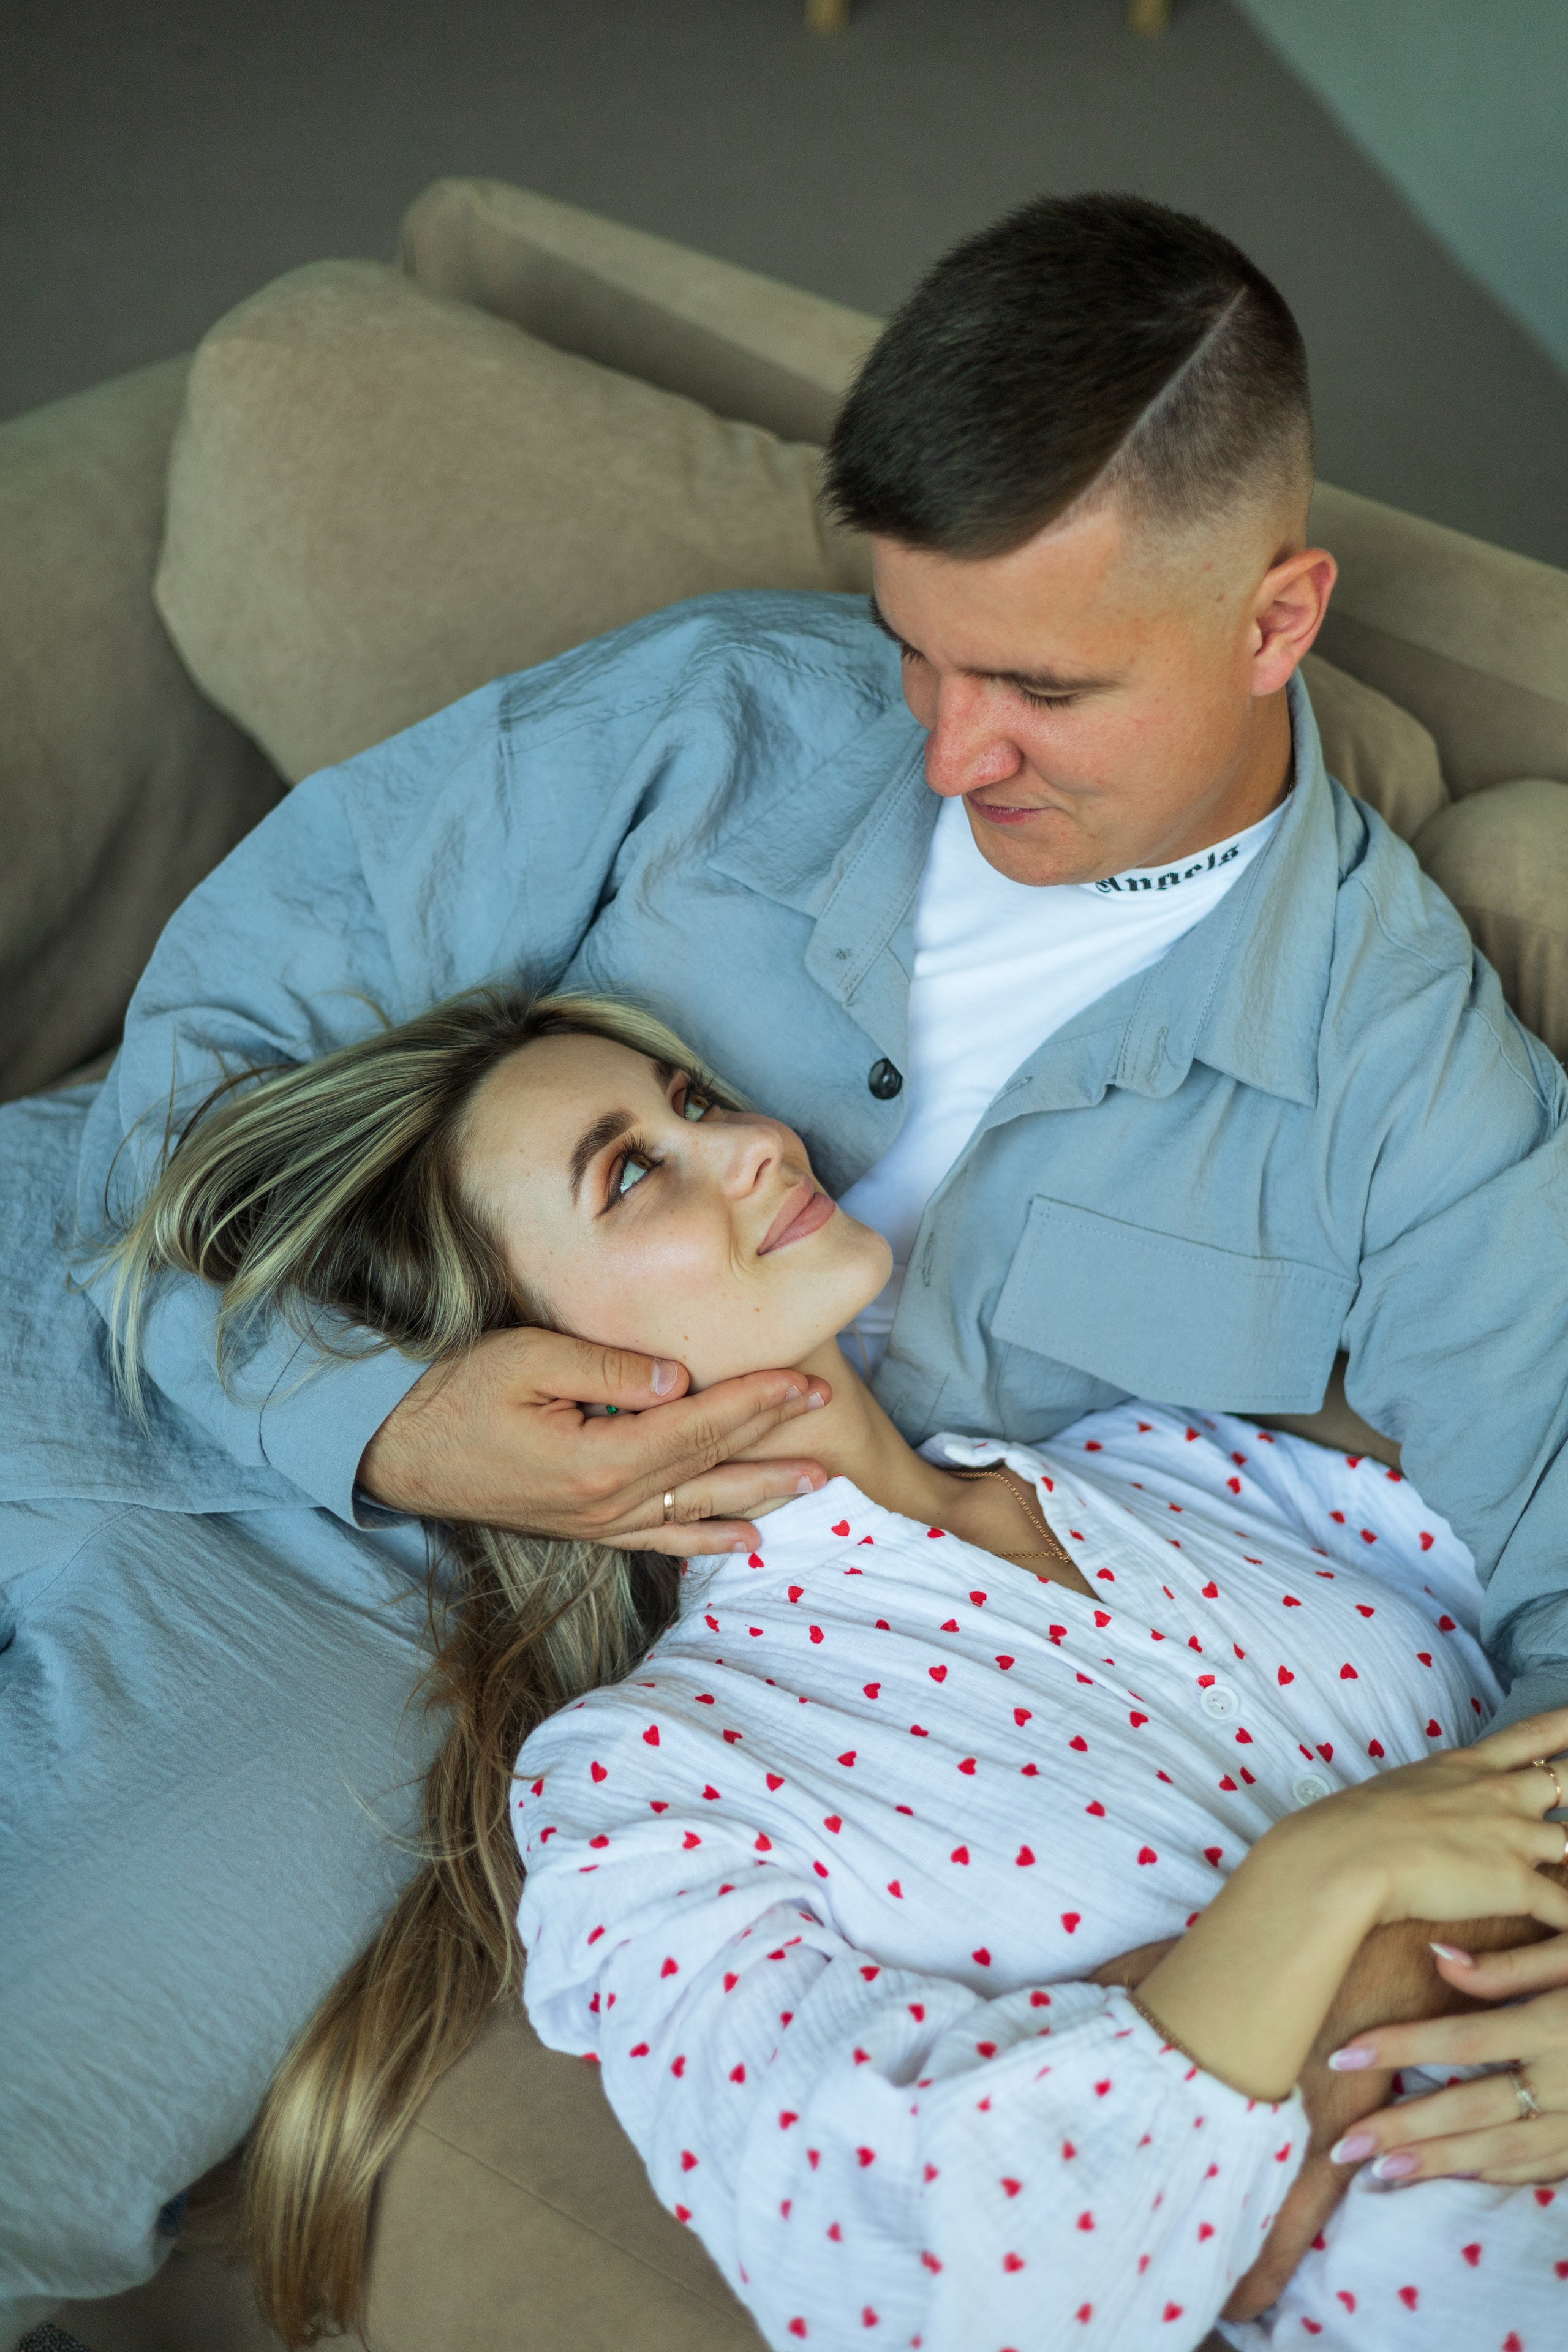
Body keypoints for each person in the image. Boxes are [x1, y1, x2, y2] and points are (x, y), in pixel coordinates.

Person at [5, 189, 1568, 2329]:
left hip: (385, 1639)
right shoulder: (727, 712)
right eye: (917, 650)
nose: (943, 748)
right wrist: (382, 1415)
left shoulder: (1400, 1093)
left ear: (1280, 620)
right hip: (129, 1261)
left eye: (1036, 683)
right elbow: (232, 1022)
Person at [101, 983, 1568, 2352]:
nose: (750, 1142)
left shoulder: (1175, 1458)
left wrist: (1301, 1988)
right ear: (528, 1373)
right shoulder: (644, 1777)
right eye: (630, 1173)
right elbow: (936, 2265)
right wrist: (1328, 1885)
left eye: (692, 1101)